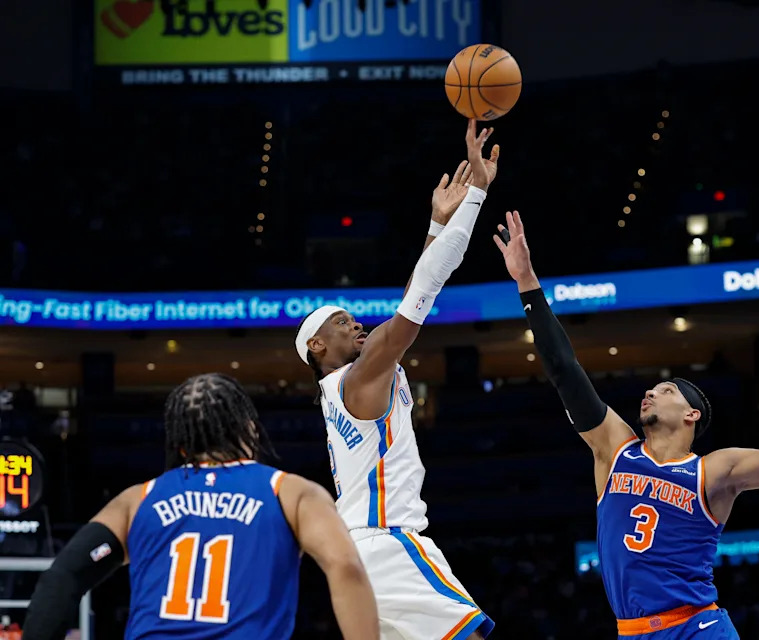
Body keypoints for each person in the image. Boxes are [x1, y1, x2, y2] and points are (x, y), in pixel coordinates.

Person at [493, 211, 759, 639]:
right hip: (633, 631)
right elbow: (563, 369)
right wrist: (527, 283)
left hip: (697, 627)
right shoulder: (615, 449)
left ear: (691, 414)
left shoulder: (714, 471)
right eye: (650, 390)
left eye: (665, 391)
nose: (649, 393)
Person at [294, 119, 499, 640]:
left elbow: (411, 297)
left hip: (364, 547)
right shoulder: (358, 380)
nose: (356, 323)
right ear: (317, 347)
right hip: (389, 543)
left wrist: (435, 223)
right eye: (342, 323)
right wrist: (477, 192)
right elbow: (424, 292)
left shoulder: (354, 382)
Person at [23, 373, 378, 640]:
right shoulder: (291, 492)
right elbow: (346, 567)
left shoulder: (137, 499)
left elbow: (63, 578)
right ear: (250, 430)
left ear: (180, 444)